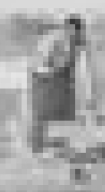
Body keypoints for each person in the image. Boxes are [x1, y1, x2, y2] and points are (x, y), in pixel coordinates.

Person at [28, 15, 93, 151]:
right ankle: (37, 147)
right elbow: (41, 64)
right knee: (43, 117)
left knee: (67, 116)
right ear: (68, 28)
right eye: (75, 32)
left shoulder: (78, 42)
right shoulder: (54, 40)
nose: (77, 36)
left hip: (62, 81)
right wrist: (55, 70)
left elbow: (82, 67)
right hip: (44, 81)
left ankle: (63, 146)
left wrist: (87, 94)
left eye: (80, 33)